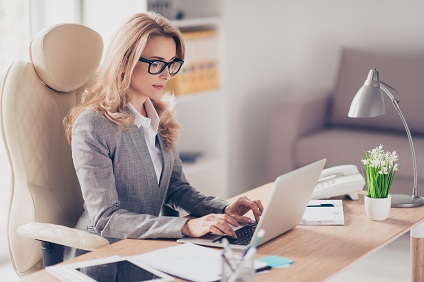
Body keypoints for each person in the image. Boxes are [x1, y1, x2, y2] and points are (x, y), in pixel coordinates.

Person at [63, 12, 263, 278]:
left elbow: (177, 189)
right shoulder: (93, 125)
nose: (167, 74)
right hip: (105, 259)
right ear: (125, 61)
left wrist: (223, 208)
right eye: (156, 63)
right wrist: (186, 227)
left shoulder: (160, 116)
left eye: (172, 63)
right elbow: (107, 219)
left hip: (149, 249)